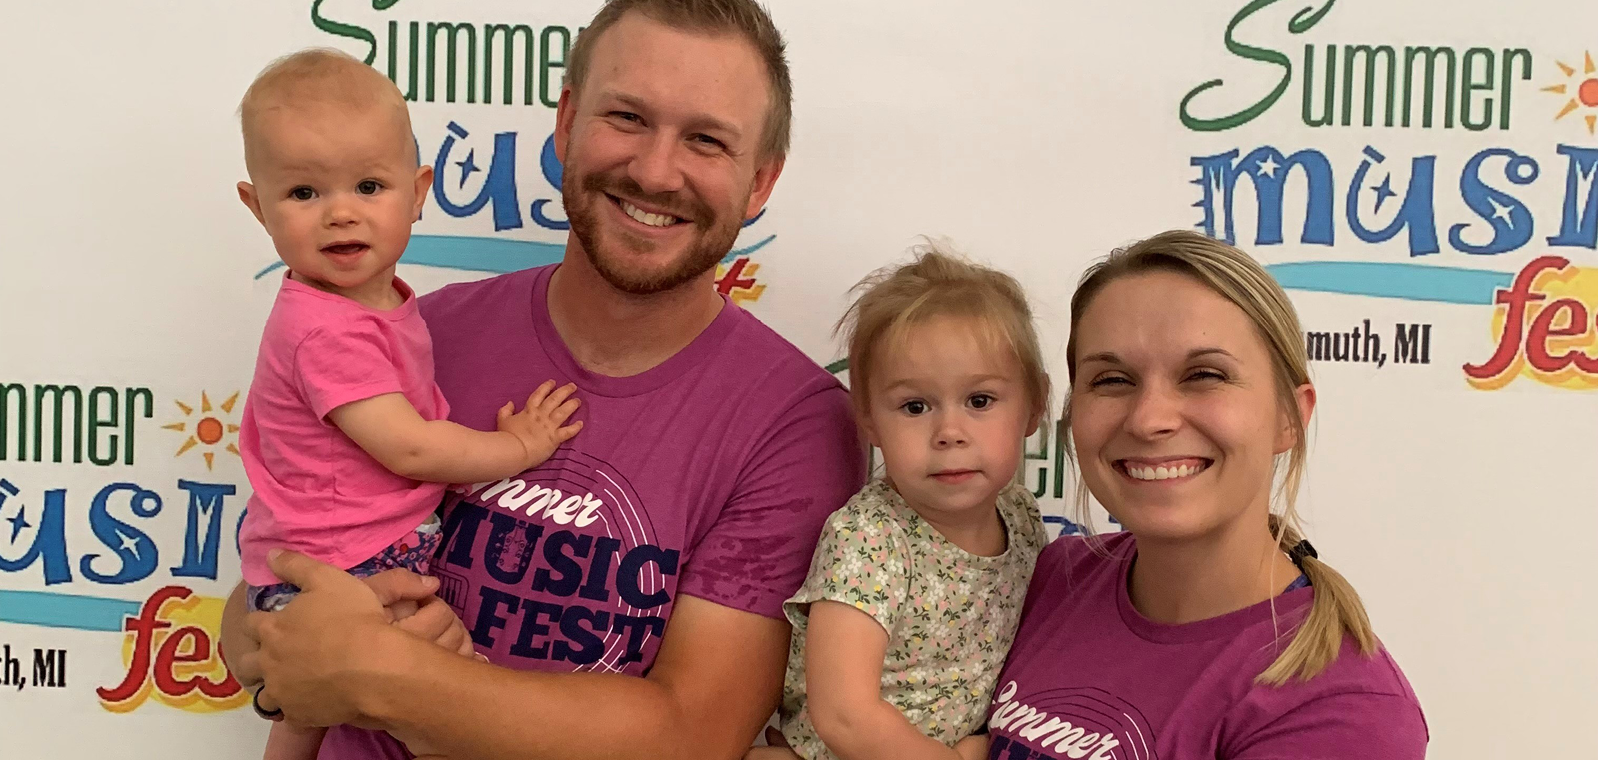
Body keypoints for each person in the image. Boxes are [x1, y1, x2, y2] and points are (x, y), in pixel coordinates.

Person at [219, 1, 867, 758]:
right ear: (566, 124)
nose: (655, 171)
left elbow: (690, 735)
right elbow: (278, 587)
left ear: (759, 182)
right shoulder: (419, 333)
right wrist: (272, 640)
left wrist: (381, 675)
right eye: (627, 117)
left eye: (706, 140)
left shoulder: (797, 425)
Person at [231, 48, 582, 760]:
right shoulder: (323, 330)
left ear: (418, 191)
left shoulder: (375, 307)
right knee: (435, 705)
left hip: (350, 555)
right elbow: (410, 446)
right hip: (344, 563)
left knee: (323, 711)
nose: (340, 213)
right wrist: (518, 448)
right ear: (257, 206)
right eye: (303, 192)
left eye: (368, 185)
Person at [977, 230, 1427, 759]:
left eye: (1205, 375)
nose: (1149, 419)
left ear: (1290, 416)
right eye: (1112, 380)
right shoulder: (1058, 576)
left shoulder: (1342, 711)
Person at [748, 246, 1049, 760]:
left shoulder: (1021, 517)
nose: (949, 432)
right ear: (869, 420)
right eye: (915, 406)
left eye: (979, 401)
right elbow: (845, 714)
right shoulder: (869, 538)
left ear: (1034, 406)